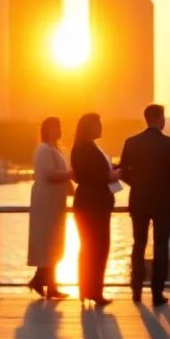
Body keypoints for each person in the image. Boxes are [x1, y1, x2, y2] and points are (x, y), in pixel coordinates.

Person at [119, 104, 170, 306]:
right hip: (163, 201)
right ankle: (157, 292)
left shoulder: (131, 142)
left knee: (138, 244)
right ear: (159, 119)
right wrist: (165, 187)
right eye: (163, 117)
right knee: (161, 247)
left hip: (139, 200)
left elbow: (124, 171)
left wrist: (138, 184)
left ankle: (137, 290)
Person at [70, 113, 120, 307]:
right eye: (98, 124)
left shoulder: (87, 147)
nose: (101, 128)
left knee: (91, 248)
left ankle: (88, 290)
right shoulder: (84, 148)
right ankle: (93, 291)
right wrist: (109, 176)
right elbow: (85, 176)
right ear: (89, 126)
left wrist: (113, 171)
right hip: (92, 205)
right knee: (97, 248)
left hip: (92, 204)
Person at [27, 117, 72, 300]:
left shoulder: (54, 149)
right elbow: (49, 173)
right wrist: (71, 174)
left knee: (53, 244)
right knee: (48, 243)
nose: (61, 129)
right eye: (58, 126)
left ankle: (45, 283)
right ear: (49, 129)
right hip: (46, 203)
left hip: (54, 202)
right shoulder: (44, 149)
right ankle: (46, 284)